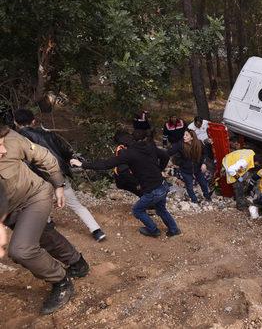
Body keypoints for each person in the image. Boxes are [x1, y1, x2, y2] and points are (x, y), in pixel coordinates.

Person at [0, 122, 89, 315]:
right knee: (44, 235)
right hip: (10, 210)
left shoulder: (12, 138)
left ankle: (61, 281)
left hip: (35, 196)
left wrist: (58, 185)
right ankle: (77, 263)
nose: (3, 149)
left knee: (21, 250)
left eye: (1, 142)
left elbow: (44, 156)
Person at [13, 109, 106, 242]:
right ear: (33, 121)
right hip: (58, 174)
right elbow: (65, 152)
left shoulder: (17, 139)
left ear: (15, 122)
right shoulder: (48, 134)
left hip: (38, 177)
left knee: (39, 202)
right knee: (75, 204)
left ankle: (48, 224)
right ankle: (96, 230)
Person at [71, 130, 181, 238]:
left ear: (123, 144)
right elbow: (165, 156)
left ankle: (153, 230)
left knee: (137, 210)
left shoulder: (128, 154)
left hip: (152, 191)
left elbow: (106, 164)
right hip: (163, 185)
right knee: (161, 209)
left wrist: (82, 164)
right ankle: (174, 229)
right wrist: (159, 169)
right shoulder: (150, 146)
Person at [167, 130, 211, 203]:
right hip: (185, 169)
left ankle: (207, 197)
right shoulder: (180, 144)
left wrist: (204, 163)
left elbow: (205, 154)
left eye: (186, 135)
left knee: (203, 183)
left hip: (198, 168)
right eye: (184, 135)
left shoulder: (199, 143)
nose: (184, 136)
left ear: (192, 137)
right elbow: (169, 152)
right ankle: (194, 201)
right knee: (189, 186)